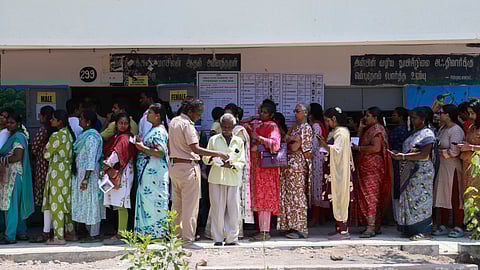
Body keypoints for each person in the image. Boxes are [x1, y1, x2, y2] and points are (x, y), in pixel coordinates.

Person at [168, 99, 229, 249]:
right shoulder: (187, 125)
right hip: (188, 167)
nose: (199, 116)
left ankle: (175, 239)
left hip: (174, 167)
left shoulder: (174, 122)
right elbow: (195, 149)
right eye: (198, 113)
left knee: (176, 206)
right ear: (190, 112)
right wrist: (219, 153)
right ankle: (188, 241)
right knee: (190, 207)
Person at [390, 107, 436, 240]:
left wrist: (403, 157)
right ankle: (410, 228)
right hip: (410, 170)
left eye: (415, 118)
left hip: (421, 172)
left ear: (423, 119)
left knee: (421, 201)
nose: (412, 120)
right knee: (410, 200)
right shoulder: (414, 133)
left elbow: (424, 154)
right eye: (411, 117)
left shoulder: (427, 134)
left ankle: (424, 231)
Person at [203, 113, 246, 246]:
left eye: (229, 127)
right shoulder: (214, 140)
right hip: (216, 178)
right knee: (217, 209)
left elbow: (242, 161)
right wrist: (214, 159)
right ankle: (217, 238)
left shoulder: (238, 141)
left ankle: (232, 238)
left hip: (232, 178)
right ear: (220, 126)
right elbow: (205, 158)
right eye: (224, 127)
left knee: (233, 210)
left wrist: (231, 164)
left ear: (234, 127)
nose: (226, 130)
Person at [38, 110, 77, 245]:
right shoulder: (69, 134)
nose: (51, 121)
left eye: (54, 119)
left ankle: (59, 236)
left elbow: (46, 154)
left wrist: (47, 152)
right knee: (66, 202)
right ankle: (71, 232)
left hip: (56, 172)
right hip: (67, 172)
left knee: (56, 203)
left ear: (60, 121)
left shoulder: (56, 136)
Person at [243, 102, 281, 241]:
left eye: (265, 112)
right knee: (258, 197)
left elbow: (275, 144)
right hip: (257, 166)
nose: (261, 114)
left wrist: (258, 137)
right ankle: (260, 229)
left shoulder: (272, 126)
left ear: (271, 114)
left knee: (265, 197)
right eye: (260, 111)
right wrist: (253, 118)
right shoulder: (257, 124)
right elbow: (239, 123)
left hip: (266, 168)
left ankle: (265, 231)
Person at [353, 107, 392, 238]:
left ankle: (371, 227)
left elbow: (376, 148)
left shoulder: (378, 129)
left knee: (371, 197)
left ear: (375, 117)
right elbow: (357, 142)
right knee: (366, 196)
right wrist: (360, 128)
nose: (365, 118)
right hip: (365, 166)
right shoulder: (368, 129)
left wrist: (359, 148)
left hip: (373, 168)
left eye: (368, 116)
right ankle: (373, 225)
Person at [317, 107, 353, 240]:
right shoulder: (336, 132)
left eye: (327, 120)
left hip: (340, 171)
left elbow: (337, 151)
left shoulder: (342, 133)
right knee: (335, 198)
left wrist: (324, 145)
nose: (327, 123)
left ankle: (343, 231)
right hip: (334, 170)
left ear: (334, 119)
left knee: (340, 197)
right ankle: (339, 228)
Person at [134, 104, 170, 239]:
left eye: (149, 112)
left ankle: (157, 233)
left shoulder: (159, 131)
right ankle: (148, 233)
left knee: (154, 201)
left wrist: (142, 148)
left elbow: (160, 152)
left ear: (157, 116)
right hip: (149, 172)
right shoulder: (153, 129)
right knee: (148, 201)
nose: (146, 115)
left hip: (154, 173)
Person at [102, 113, 137, 245]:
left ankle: (121, 234)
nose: (123, 126)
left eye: (125, 123)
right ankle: (120, 232)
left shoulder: (123, 138)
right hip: (124, 172)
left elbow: (116, 155)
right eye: (121, 123)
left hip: (123, 173)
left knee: (121, 204)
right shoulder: (121, 136)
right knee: (119, 204)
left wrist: (104, 166)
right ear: (116, 124)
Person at [71, 110, 105, 242]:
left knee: (92, 202)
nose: (79, 120)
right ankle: (88, 231)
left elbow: (91, 159)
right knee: (85, 203)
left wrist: (86, 178)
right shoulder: (84, 135)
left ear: (88, 122)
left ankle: (94, 234)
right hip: (82, 174)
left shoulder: (91, 137)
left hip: (89, 175)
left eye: (81, 118)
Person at [0, 112, 34, 244]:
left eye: (12, 122)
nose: (9, 124)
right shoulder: (12, 136)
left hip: (14, 175)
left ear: (19, 124)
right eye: (8, 122)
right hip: (11, 173)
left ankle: (10, 236)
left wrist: (2, 159)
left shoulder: (18, 137)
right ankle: (21, 232)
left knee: (11, 205)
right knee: (16, 205)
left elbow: (17, 157)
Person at [279, 104, 312, 239]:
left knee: (297, 197)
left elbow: (295, 147)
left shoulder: (306, 128)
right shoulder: (295, 128)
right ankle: (291, 225)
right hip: (289, 165)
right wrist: (291, 139)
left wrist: (291, 140)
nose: (295, 113)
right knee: (289, 196)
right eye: (295, 111)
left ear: (305, 113)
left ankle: (300, 228)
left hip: (297, 165)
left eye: (297, 111)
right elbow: (288, 141)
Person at [433, 104, 465, 238]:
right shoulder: (442, 128)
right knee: (442, 195)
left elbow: (454, 151)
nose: (439, 115)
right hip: (442, 166)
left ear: (448, 114)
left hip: (453, 167)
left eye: (441, 112)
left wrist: (440, 152)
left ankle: (458, 226)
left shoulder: (456, 130)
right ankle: (443, 225)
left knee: (455, 196)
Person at [308, 102, 330, 227]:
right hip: (323, 157)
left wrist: (307, 154)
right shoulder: (324, 124)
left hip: (317, 159)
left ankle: (316, 217)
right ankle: (321, 216)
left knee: (317, 187)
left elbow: (314, 144)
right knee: (321, 187)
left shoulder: (316, 125)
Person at [459, 102, 480, 222]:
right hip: (468, 164)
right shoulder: (472, 127)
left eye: (473, 113)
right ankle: (472, 223)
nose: (470, 116)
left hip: (477, 166)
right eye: (469, 113)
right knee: (468, 194)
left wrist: (471, 147)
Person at [31, 105, 55, 208]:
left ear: (44, 116)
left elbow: (34, 148)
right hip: (52, 165)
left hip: (42, 164)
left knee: (42, 188)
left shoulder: (43, 130)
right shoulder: (55, 130)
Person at [389, 107, 410, 221]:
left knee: (397, 186)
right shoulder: (404, 129)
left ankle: (398, 216)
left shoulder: (400, 130)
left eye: (394, 115)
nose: (392, 117)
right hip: (400, 160)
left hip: (397, 160)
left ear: (401, 117)